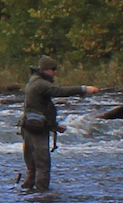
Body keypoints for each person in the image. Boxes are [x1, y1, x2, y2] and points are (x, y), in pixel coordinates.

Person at [16, 58, 101, 192]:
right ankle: (41, 192)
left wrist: (54, 126)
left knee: (32, 163)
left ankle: (28, 190)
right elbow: (59, 91)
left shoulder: (34, 80)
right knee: (42, 164)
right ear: (46, 70)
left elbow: (43, 109)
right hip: (36, 127)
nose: (55, 72)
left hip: (29, 124)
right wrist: (84, 89)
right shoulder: (40, 83)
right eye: (53, 69)